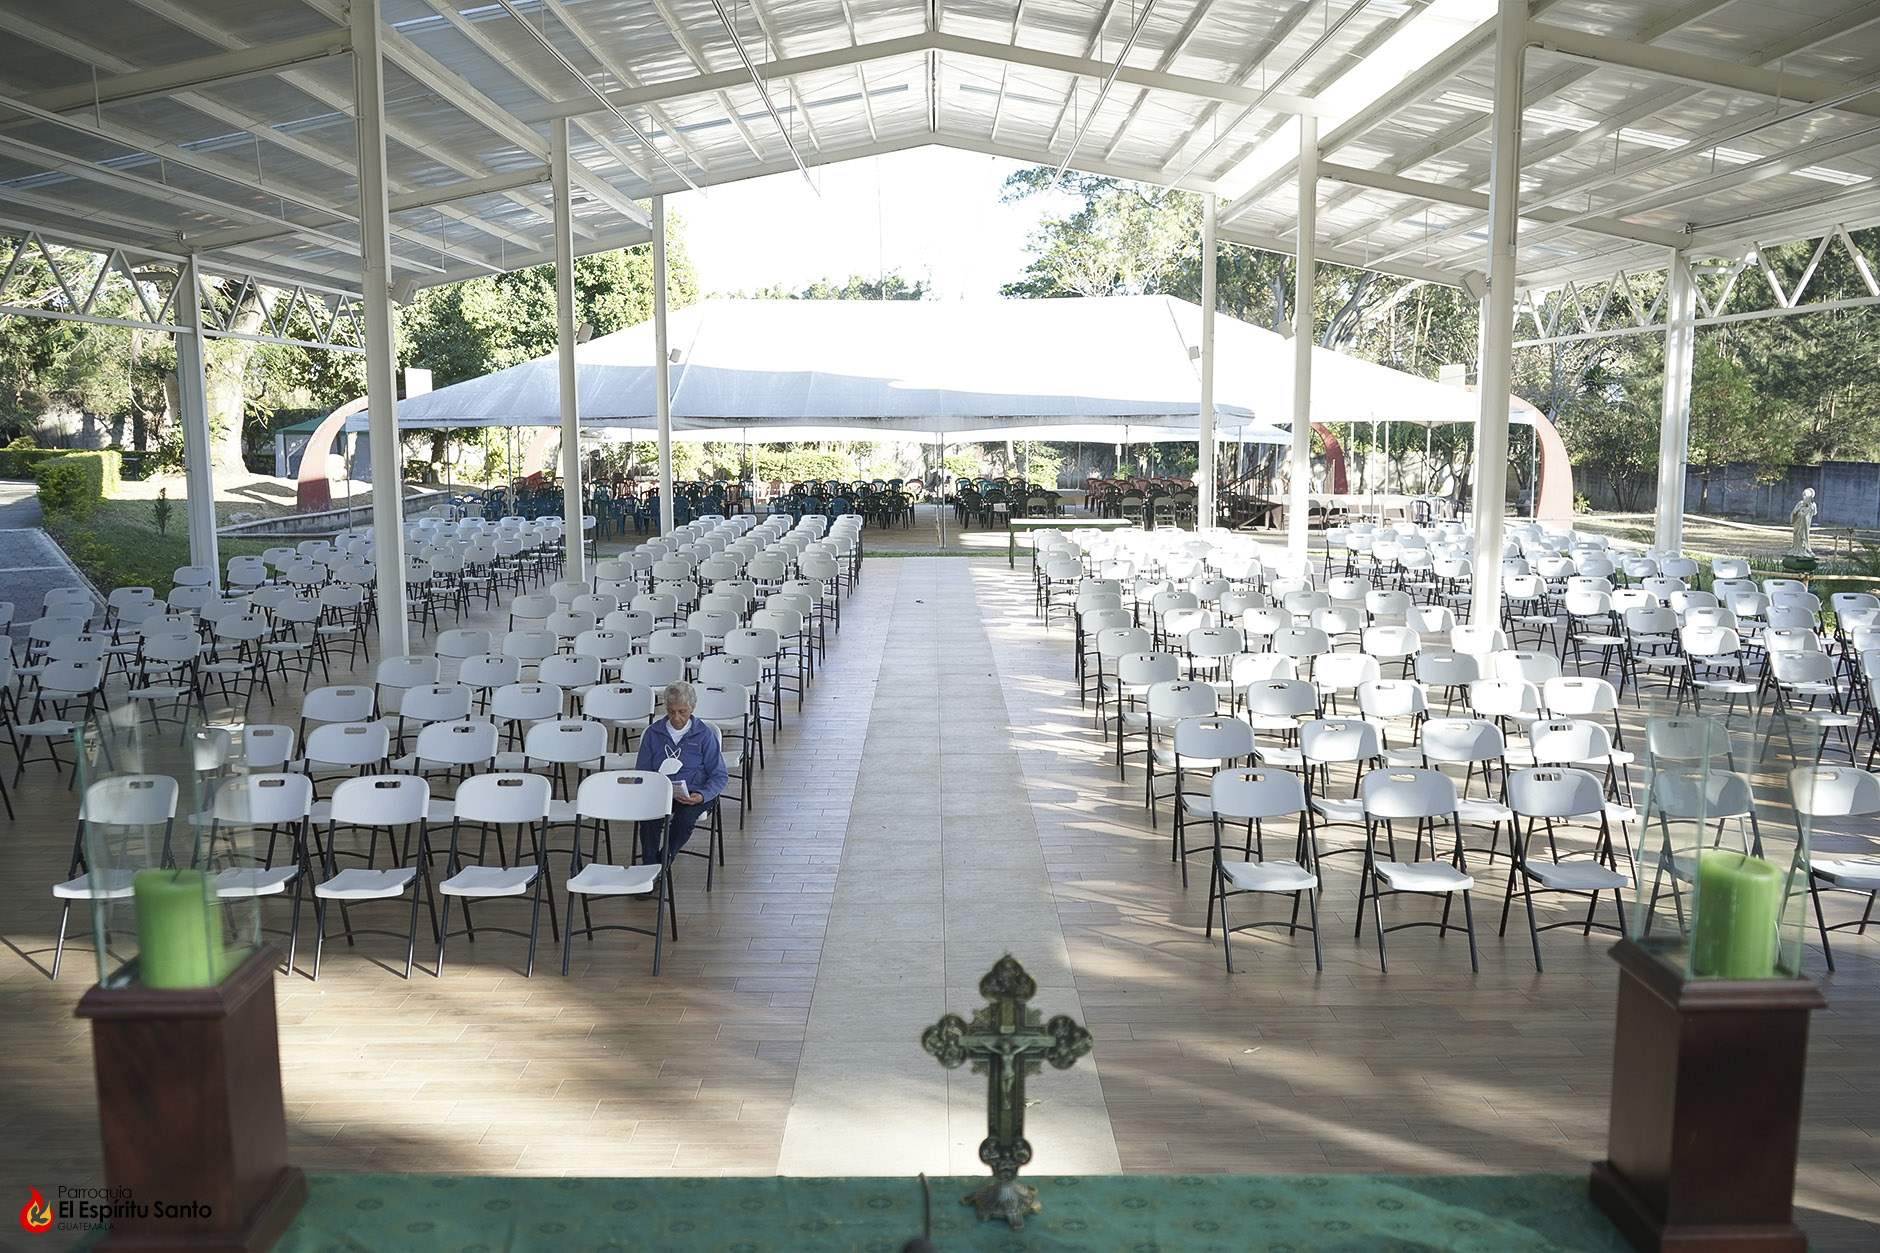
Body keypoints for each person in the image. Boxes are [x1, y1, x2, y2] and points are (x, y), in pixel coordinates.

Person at [634, 680, 728, 867]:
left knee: (684, 819)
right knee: (649, 821)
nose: (676, 718)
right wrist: (649, 791)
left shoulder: (704, 735)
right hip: (660, 792)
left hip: (695, 793)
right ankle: (650, 868)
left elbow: (719, 775)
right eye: (671, 712)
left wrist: (702, 795)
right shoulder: (653, 733)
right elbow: (642, 773)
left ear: (692, 708)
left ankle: (663, 862)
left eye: (682, 712)